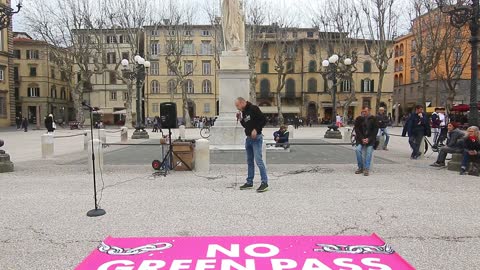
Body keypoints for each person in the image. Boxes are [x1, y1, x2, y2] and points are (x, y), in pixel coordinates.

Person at [235, 97, 269, 192]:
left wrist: (256, 129)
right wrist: (241, 119)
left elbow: (264, 120)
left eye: (237, 105)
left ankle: (264, 182)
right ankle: (249, 182)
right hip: (248, 139)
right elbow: (246, 125)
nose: (237, 108)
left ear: (242, 102)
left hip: (257, 138)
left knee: (258, 160)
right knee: (249, 161)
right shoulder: (244, 112)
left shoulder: (254, 108)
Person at [354, 106, 379, 176]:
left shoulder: (373, 119)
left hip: (370, 140)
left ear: (369, 111)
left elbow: (375, 131)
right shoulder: (359, 119)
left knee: (369, 152)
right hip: (360, 139)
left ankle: (366, 168)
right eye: (363, 111)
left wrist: (369, 139)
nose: (364, 113)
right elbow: (357, 130)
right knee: (357, 150)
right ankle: (360, 167)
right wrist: (362, 139)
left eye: (365, 111)